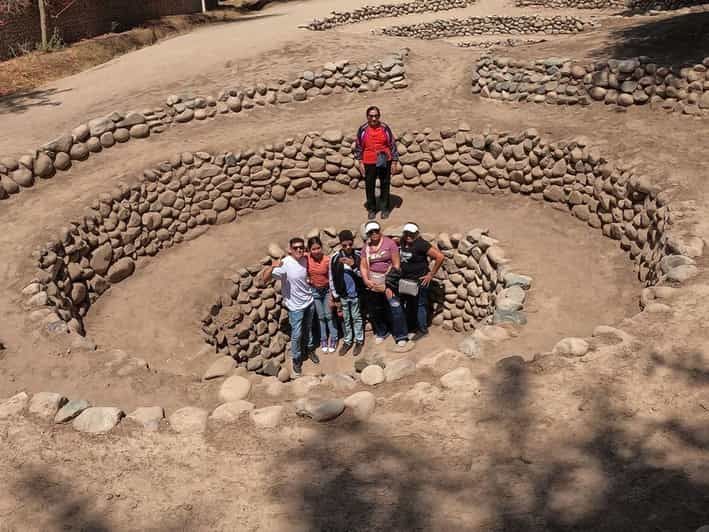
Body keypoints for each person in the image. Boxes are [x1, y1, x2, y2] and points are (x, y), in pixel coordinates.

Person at [261, 237, 319, 378]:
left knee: (309, 328)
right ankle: (297, 359)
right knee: (296, 335)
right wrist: (273, 266)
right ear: (290, 250)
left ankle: (310, 349)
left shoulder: (306, 259)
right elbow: (264, 278)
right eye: (296, 248)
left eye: (301, 247)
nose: (299, 250)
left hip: (309, 302)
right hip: (295, 308)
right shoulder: (285, 264)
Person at [360, 221, 409, 347]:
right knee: (376, 309)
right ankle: (382, 332)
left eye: (376, 230)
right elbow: (364, 266)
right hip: (373, 283)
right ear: (368, 234)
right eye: (371, 232)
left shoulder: (389, 243)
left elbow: (396, 265)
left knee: (396, 307)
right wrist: (366, 280)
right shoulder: (366, 248)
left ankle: (401, 335)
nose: (374, 233)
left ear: (380, 230)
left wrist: (387, 284)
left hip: (389, 281)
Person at [399, 222, 445, 339]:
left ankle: (422, 330)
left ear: (417, 234)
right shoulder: (403, 241)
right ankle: (412, 326)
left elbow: (440, 257)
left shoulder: (421, 244)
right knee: (409, 304)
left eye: (412, 234)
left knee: (420, 305)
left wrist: (431, 274)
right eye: (407, 233)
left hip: (420, 281)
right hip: (406, 281)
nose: (409, 236)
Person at [354, 106, 399, 221]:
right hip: (369, 160)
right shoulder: (363, 129)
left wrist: (394, 161)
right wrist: (360, 162)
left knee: (385, 183)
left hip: (384, 158)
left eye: (376, 116)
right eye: (371, 116)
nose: (374, 118)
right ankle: (372, 209)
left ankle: (384, 208)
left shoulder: (384, 128)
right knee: (370, 185)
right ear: (367, 117)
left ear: (379, 116)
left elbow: (392, 144)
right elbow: (359, 146)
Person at [329, 229, 365, 356]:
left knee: (356, 317)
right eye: (345, 245)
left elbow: (364, 276)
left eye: (350, 244)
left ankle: (359, 340)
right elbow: (331, 277)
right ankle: (348, 340)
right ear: (340, 244)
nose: (348, 247)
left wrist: (354, 265)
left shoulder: (358, 256)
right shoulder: (335, 258)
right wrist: (335, 295)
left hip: (356, 294)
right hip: (343, 295)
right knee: (346, 318)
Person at [306, 236, 338, 353]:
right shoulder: (306, 258)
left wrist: (333, 295)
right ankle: (323, 338)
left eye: (318, 248)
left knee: (329, 316)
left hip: (326, 291)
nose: (316, 251)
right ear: (309, 250)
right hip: (314, 291)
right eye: (313, 249)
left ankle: (334, 338)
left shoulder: (327, 260)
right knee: (320, 317)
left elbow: (332, 277)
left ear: (321, 247)